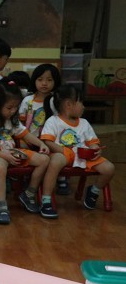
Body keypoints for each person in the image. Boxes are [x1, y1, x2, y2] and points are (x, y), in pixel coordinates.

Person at [0, 80, 51, 225]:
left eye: (16, 107)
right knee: (0, 166)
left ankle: (29, 194)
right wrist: (4, 155)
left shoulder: (11, 119)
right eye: (9, 107)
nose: (13, 111)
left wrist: (41, 143)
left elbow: (25, 134)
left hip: (11, 152)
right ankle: (2, 207)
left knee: (44, 160)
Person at [40, 84, 115, 214]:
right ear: (69, 104)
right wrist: (63, 151)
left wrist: (95, 150)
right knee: (56, 161)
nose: (84, 106)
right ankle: (46, 200)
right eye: (81, 102)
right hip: (63, 155)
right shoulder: (53, 121)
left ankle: (94, 190)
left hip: (83, 156)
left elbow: (92, 142)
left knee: (109, 168)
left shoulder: (84, 123)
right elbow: (48, 142)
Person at [18, 64, 69, 195]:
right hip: (30, 138)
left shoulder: (55, 101)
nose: (44, 83)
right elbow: (20, 122)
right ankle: (26, 176)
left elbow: (60, 122)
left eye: (49, 80)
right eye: (40, 79)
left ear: (55, 81)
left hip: (49, 139)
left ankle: (61, 177)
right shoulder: (28, 100)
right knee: (22, 146)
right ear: (34, 80)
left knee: (58, 150)